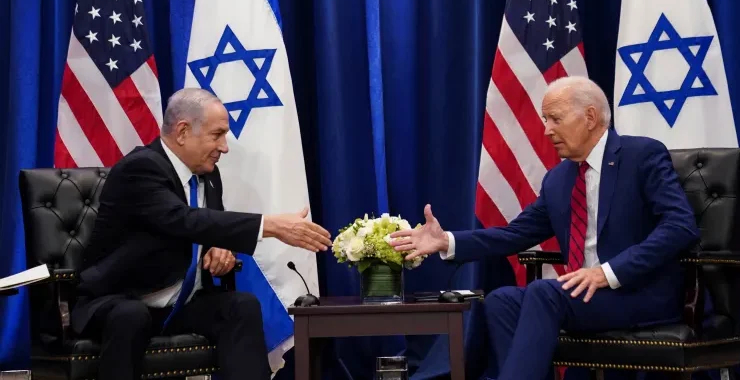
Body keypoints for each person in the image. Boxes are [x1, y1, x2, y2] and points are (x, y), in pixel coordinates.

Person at [389, 76, 700, 380]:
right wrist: (447, 242)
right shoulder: (559, 179)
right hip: (585, 295)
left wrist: (607, 272)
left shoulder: (642, 156)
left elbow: (680, 226)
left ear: (590, 117)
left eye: (555, 119)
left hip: (637, 291)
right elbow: (515, 234)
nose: (547, 130)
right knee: (500, 302)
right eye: (544, 120)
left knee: (543, 292)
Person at [71, 88, 332, 380]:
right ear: (183, 131)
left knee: (241, 306)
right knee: (131, 315)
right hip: (119, 300)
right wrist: (271, 226)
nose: (225, 147)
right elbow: (181, 219)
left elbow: (206, 227)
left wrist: (219, 248)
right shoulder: (140, 168)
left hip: (178, 304)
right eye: (217, 135)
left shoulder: (208, 174)